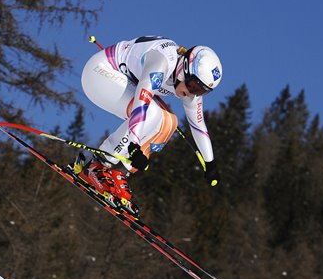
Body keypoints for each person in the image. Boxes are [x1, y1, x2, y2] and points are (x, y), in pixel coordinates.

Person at [78, 36, 222, 214]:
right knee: (152, 113)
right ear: (183, 68)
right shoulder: (162, 62)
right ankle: (97, 165)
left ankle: (119, 171)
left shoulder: (188, 86)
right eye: (193, 86)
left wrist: (210, 164)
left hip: (124, 82)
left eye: (201, 91)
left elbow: (198, 124)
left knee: (169, 123)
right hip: (99, 74)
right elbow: (142, 101)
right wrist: (134, 145)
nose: (192, 94)